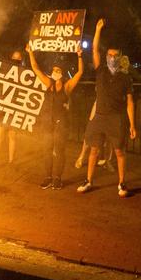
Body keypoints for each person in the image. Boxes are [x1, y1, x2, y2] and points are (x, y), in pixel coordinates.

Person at [77, 19, 136, 197]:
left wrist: (132, 124)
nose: (111, 58)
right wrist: (97, 30)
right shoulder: (100, 70)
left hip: (116, 118)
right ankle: (88, 181)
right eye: (109, 55)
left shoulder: (125, 78)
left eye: (114, 55)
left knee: (119, 151)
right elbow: (94, 49)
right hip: (99, 117)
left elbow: (130, 102)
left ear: (119, 58)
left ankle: (122, 183)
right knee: (93, 149)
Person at [27, 43, 84, 189]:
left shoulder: (67, 87)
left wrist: (79, 55)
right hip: (47, 122)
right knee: (46, 149)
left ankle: (58, 178)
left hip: (61, 123)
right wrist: (30, 52)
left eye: (58, 70)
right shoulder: (49, 83)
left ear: (62, 73)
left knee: (59, 151)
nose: (55, 72)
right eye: (53, 70)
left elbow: (80, 73)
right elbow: (36, 69)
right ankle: (48, 177)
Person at [0, 50, 24, 166]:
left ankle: (11, 161)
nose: (15, 60)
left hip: (15, 107)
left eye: (18, 58)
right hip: (3, 106)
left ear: (21, 60)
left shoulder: (23, 73)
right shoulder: (5, 70)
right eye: (13, 58)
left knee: (12, 135)